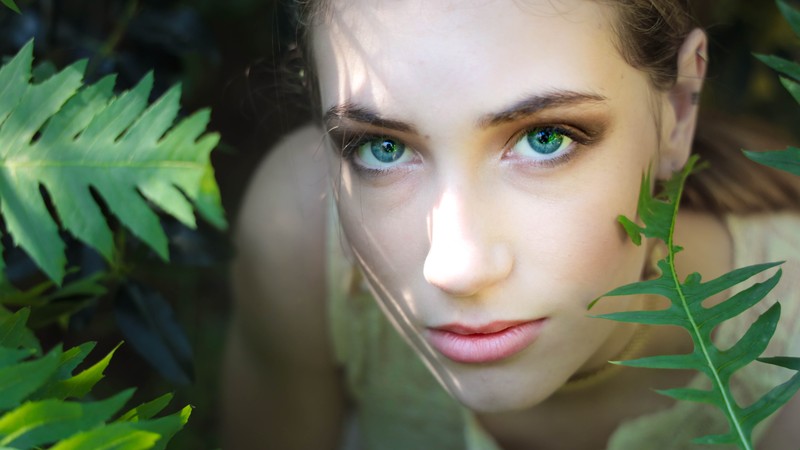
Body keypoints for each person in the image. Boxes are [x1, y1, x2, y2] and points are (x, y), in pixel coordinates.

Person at [222, 1, 800, 448]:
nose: (458, 268)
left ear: (678, 108)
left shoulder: (789, 362)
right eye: (382, 149)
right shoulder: (300, 235)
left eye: (544, 138)